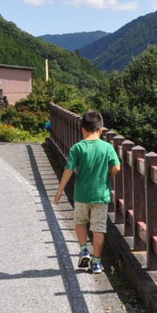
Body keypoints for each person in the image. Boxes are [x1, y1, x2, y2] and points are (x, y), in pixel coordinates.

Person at [53, 109, 121, 274]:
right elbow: (117, 168)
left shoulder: (77, 148)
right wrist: (108, 174)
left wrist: (60, 190)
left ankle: (84, 250)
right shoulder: (107, 147)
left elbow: (68, 169)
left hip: (81, 195)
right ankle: (97, 262)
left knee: (80, 221)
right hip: (100, 195)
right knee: (98, 228)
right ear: (101, 129)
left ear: (82, 128)